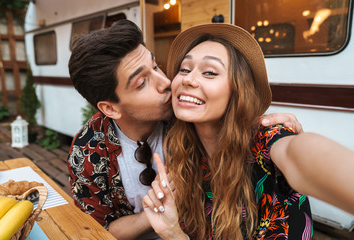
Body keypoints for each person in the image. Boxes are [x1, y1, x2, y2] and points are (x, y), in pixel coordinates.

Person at [67, 19, 305, 239]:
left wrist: (270, 129)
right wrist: (154, 214)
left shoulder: (185, 117)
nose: (166, 83)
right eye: (142, 83)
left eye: (156, 66)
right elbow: (98, 229)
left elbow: (244, 129)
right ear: (110, 108)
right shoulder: (88, 151)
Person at [142, 23, 354, 240]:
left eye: (210, 72)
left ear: (238, 90)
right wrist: (173, 233)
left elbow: (299, 154)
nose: (188, 79)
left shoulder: (265, 138)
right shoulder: (186, 155)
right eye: (184, 69)